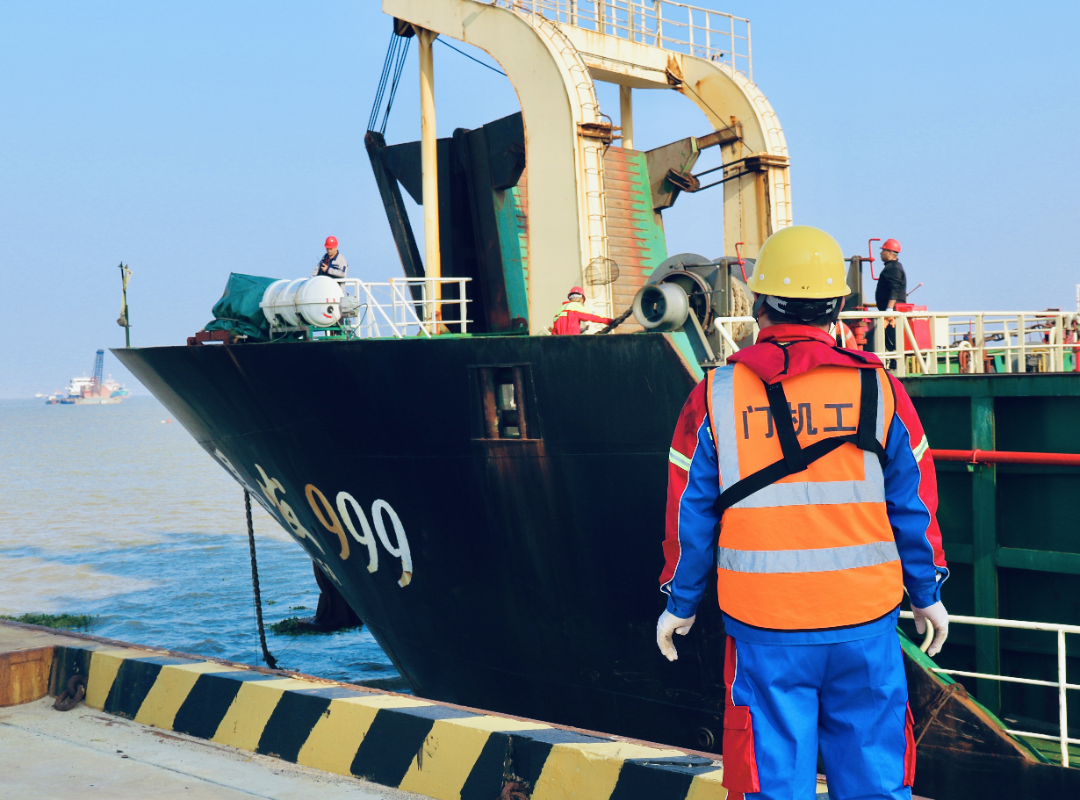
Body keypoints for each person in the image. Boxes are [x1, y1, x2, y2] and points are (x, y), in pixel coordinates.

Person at [656, 225, 949, 800]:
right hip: (865, 623)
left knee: (771, 784)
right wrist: (926, 592)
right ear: (837, 307)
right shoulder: (881, 390)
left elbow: (691, 517)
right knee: (876, 783)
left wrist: (681, 602)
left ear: (760, 304)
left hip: (765, 630)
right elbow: (913, 505)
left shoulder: (715, 396)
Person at [875, 238, 907, 355]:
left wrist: (889, 310)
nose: (881, 253)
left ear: (890, 252)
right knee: (891, 341)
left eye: (883, 250)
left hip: (891, 313)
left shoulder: (893, 268)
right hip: (892, 311)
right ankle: (895, 361)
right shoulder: (893, 267)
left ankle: (895, 363)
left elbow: (894, 289)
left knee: (892, 341)